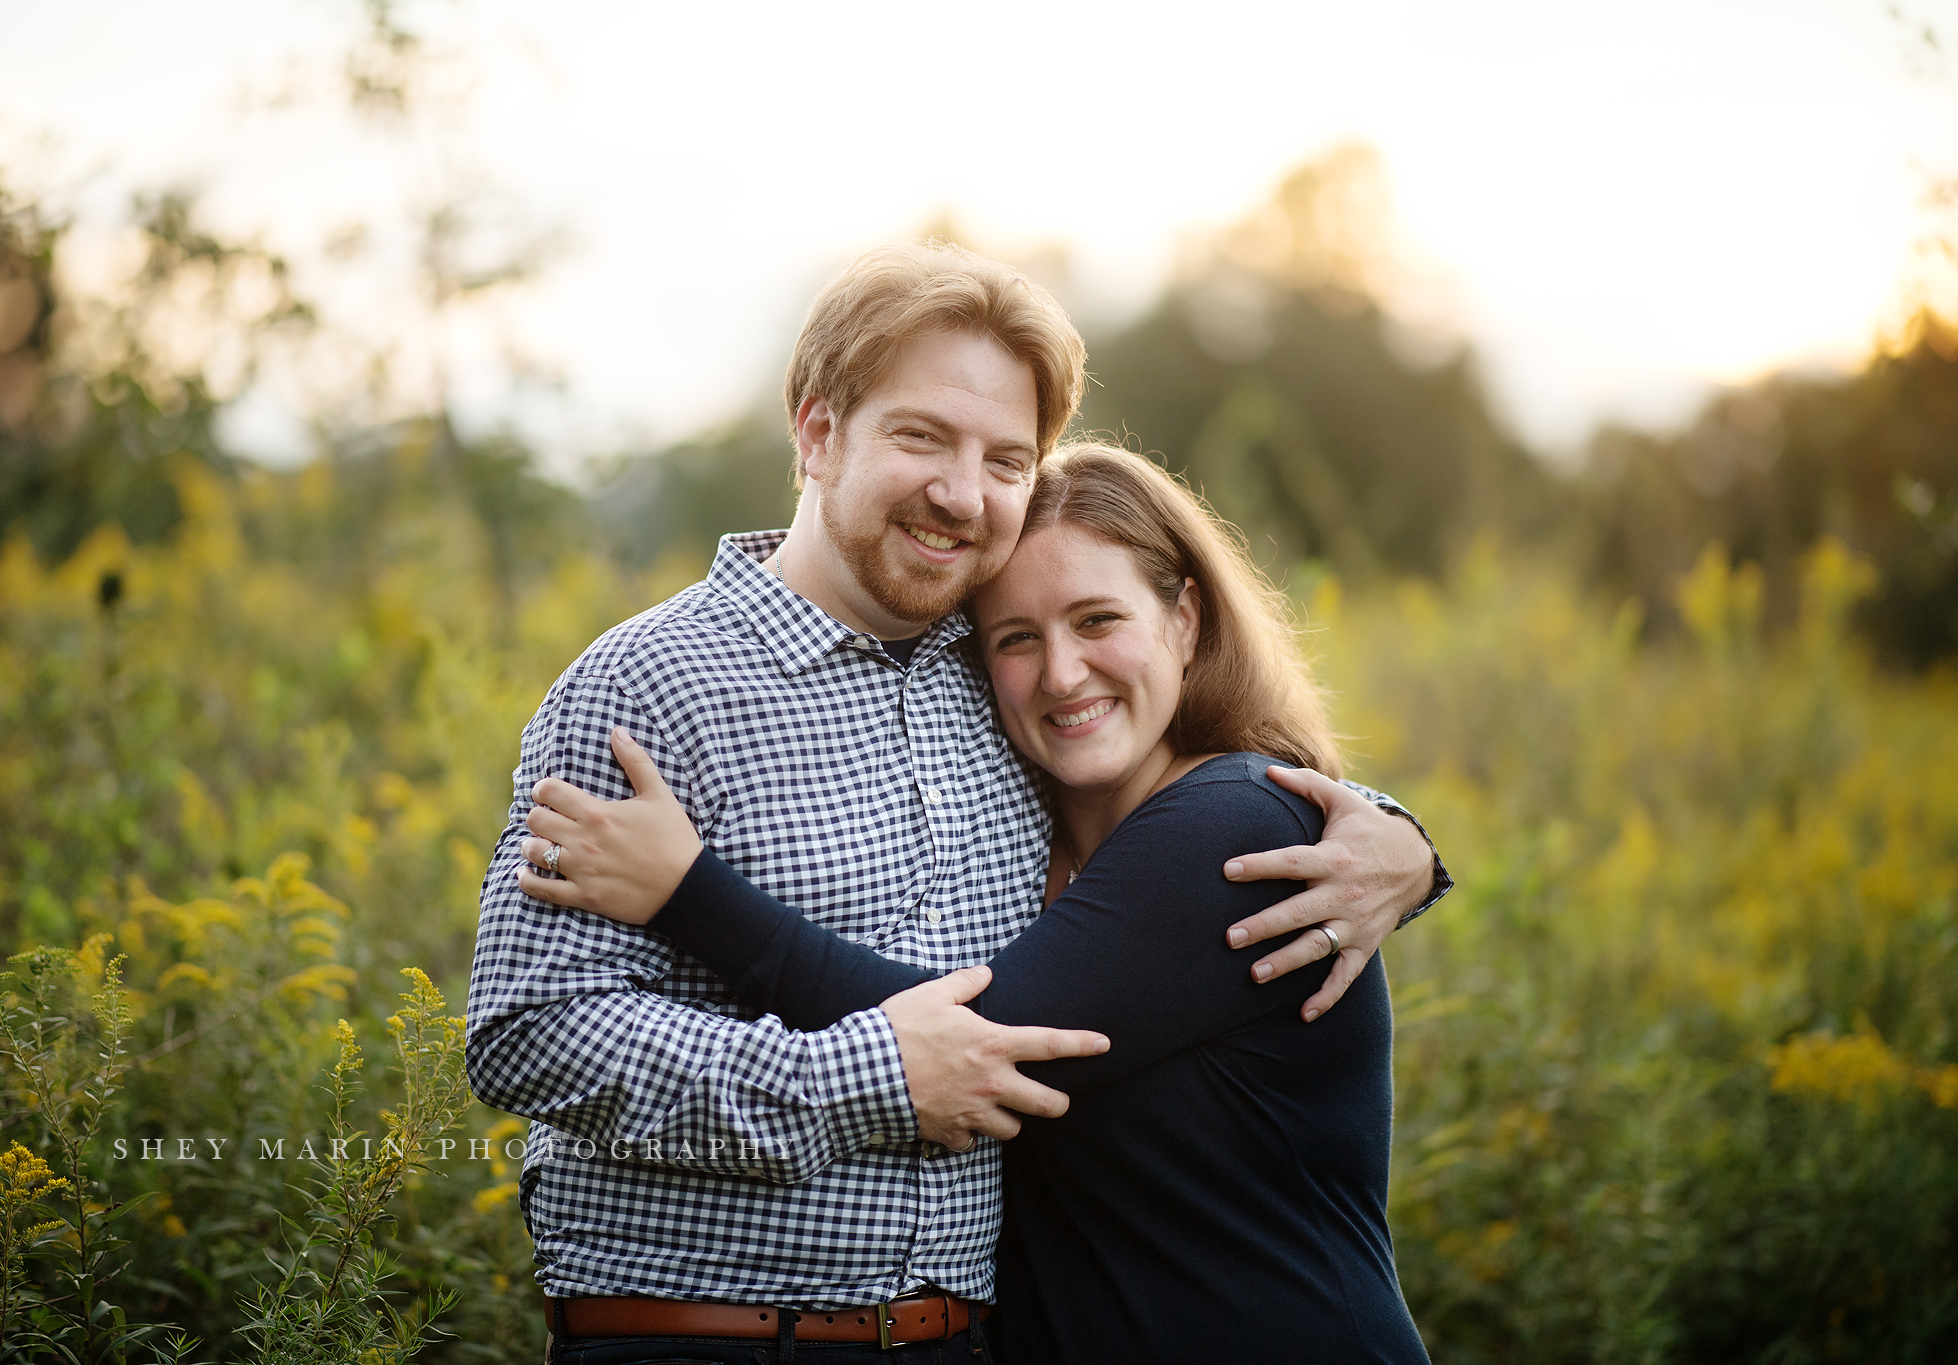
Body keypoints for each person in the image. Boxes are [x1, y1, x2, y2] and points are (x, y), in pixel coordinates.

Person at [464, 242, 1448, 1364]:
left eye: (1004, 458)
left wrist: (1397, 840)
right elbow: (528, 1035)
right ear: (817, 431)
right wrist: (864, 1080)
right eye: (920, 436)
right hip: (712, 1337)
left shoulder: (993, 683)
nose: (958, 493)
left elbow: (1191, 804)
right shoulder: (648, 686)